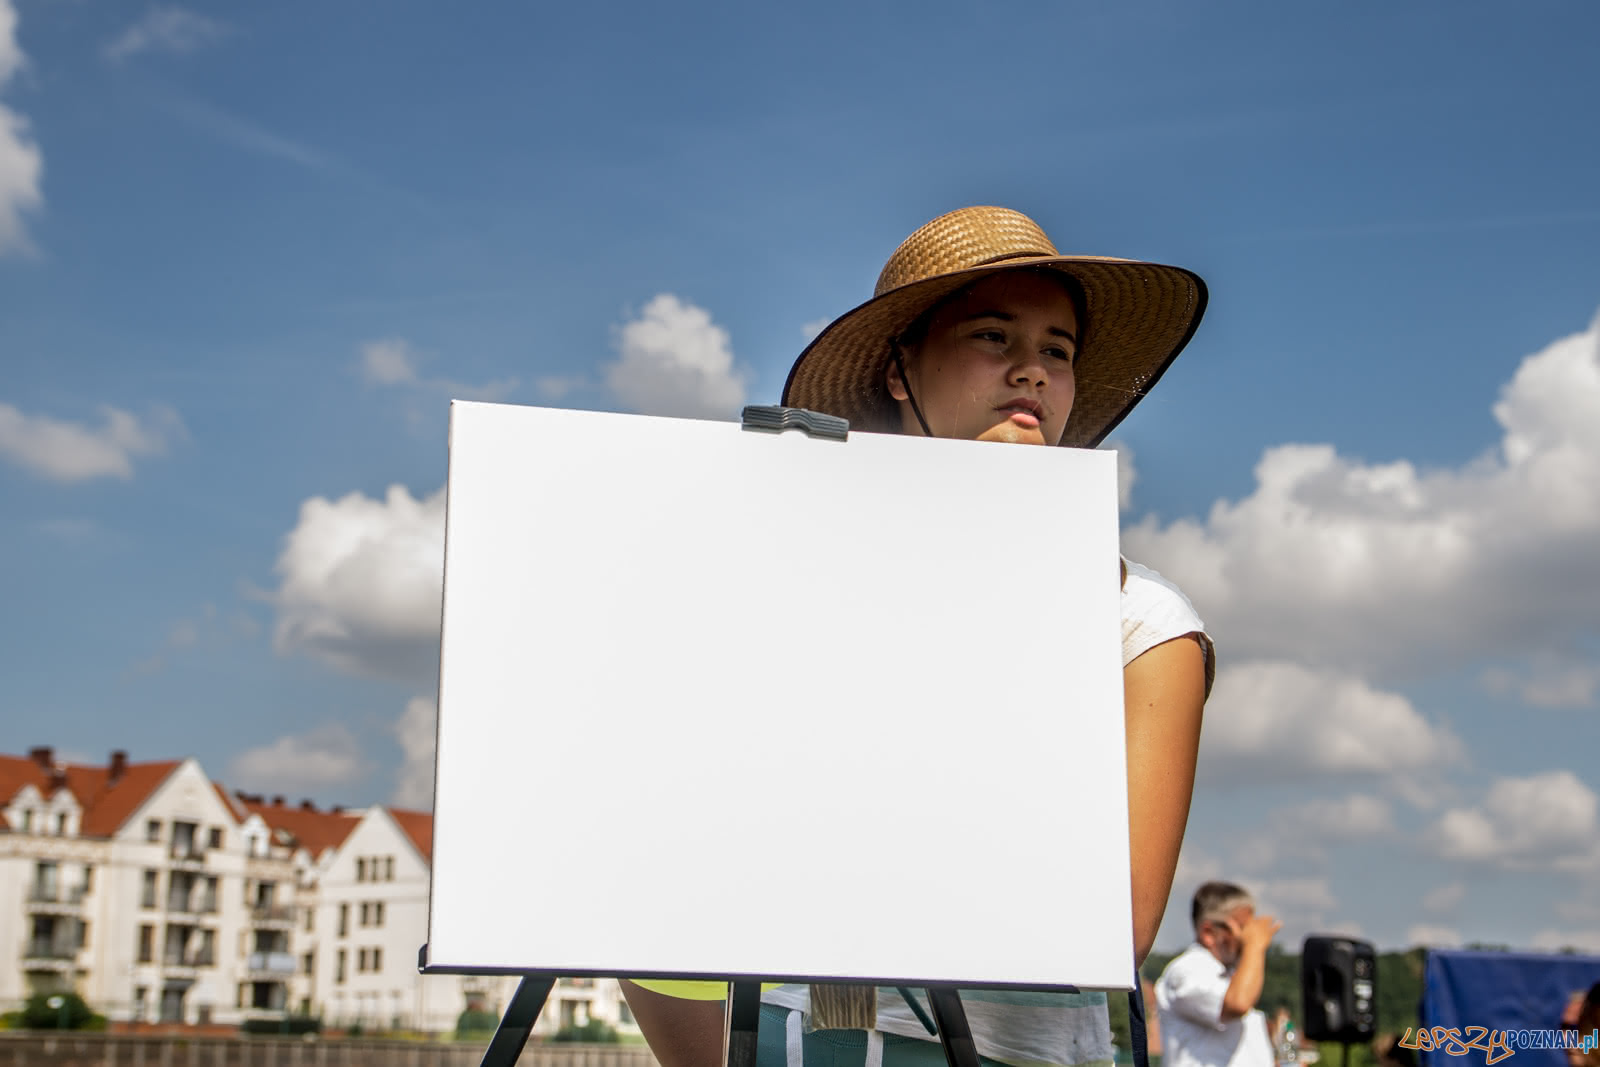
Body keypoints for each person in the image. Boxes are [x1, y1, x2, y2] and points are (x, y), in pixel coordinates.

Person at [622, 205, 1216, 1067]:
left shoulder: (1142, 619)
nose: (1033, 370)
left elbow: (1114, 925)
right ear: (902, 370)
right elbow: (641, 869)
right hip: (800, 1040)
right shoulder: (773, 592)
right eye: (992, 334)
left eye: (1058, 349)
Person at [1154, 882, 1281, 1067]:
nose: (1248, 937)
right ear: (1209, 933)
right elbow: (1237, 1004)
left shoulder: (1231, 976)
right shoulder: (1188, 969)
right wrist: (1254, 946)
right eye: (1243, 928)